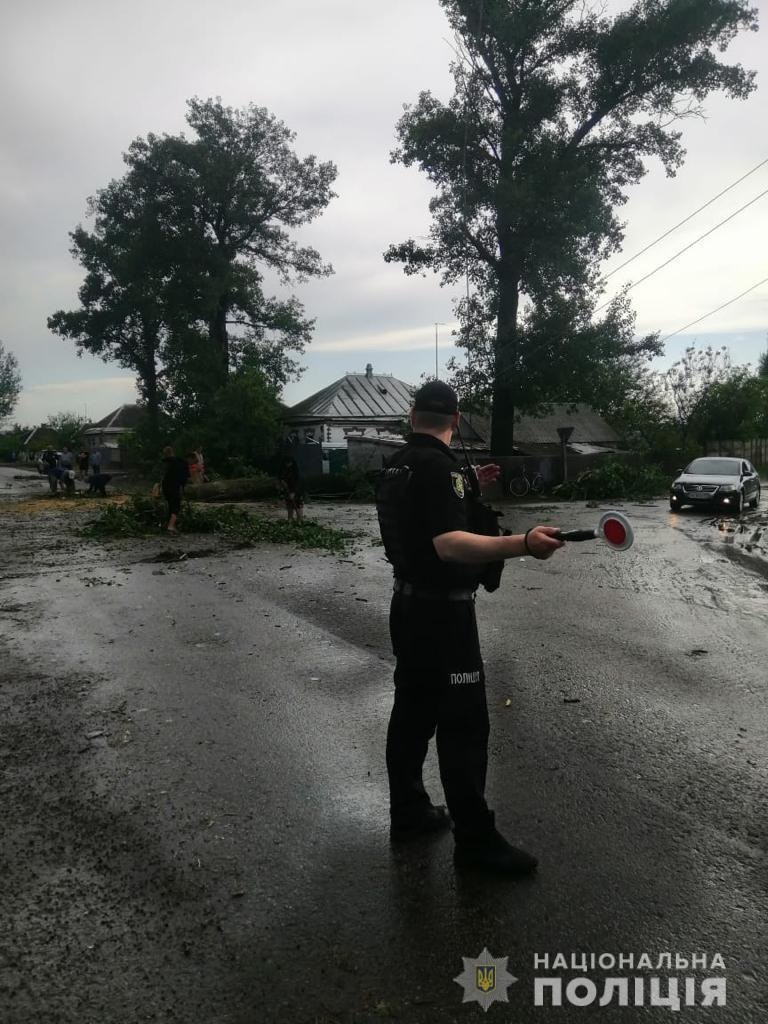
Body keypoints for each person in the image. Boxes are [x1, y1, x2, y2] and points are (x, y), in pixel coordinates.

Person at [376, 381, 564, 875]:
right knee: (463, 726)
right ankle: (476, 844)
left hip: (408, 608)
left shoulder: (399, 464)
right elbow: (448, 544)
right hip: (444, 617)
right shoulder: (440, 468)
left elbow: (425, 510)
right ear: (456, 420)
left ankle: (410, 811)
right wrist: (523, 543)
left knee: (413, 711)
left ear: (412, 416)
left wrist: (468, 480)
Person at [161, 446, 190, 533]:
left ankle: (167, 524)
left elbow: (163, 477)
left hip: (165, 487)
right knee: (176, 507)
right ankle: (171, 526)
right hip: (174, 487)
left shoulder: (167, 462)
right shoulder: (181, 462)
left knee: (171, 505)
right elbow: (184, 478)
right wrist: (182, 488)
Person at [278, 457, 304, 522]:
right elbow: (281, 479)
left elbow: (297, 483)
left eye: (288, 463)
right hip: (287, 491)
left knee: (298, 506)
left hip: (297, 491)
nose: (287, 464)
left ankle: (299, 520)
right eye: (286, 463)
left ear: (292, 463)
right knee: (289, 506)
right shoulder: (285, 470)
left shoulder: (295, 472)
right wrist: (282, 483)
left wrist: (293, 492)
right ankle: (290, 519)